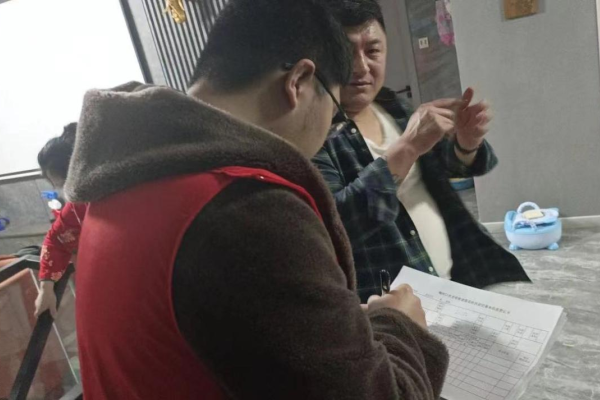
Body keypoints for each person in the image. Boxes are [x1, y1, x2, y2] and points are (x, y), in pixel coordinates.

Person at [64, 0, 449, 398]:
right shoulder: (246, 210)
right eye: (334, 110)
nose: (329, 128)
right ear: (299, 82)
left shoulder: (126, 180)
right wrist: (401, 326)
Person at [313, 0, 529, 302]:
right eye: (346, 52)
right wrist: (408, 147)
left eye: (373, 51)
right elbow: (337, 226)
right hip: (389, 307)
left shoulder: (394, 107)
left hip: (453, 280)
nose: (361, 67)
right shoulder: (315, 133)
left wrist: (466, 144)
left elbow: (444, 167)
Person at [34, 123, 87, 318]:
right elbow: (55, 240)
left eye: (65, 183)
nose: (66, 191)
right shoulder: (76, 208)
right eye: (60, 186)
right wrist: (46, 288)